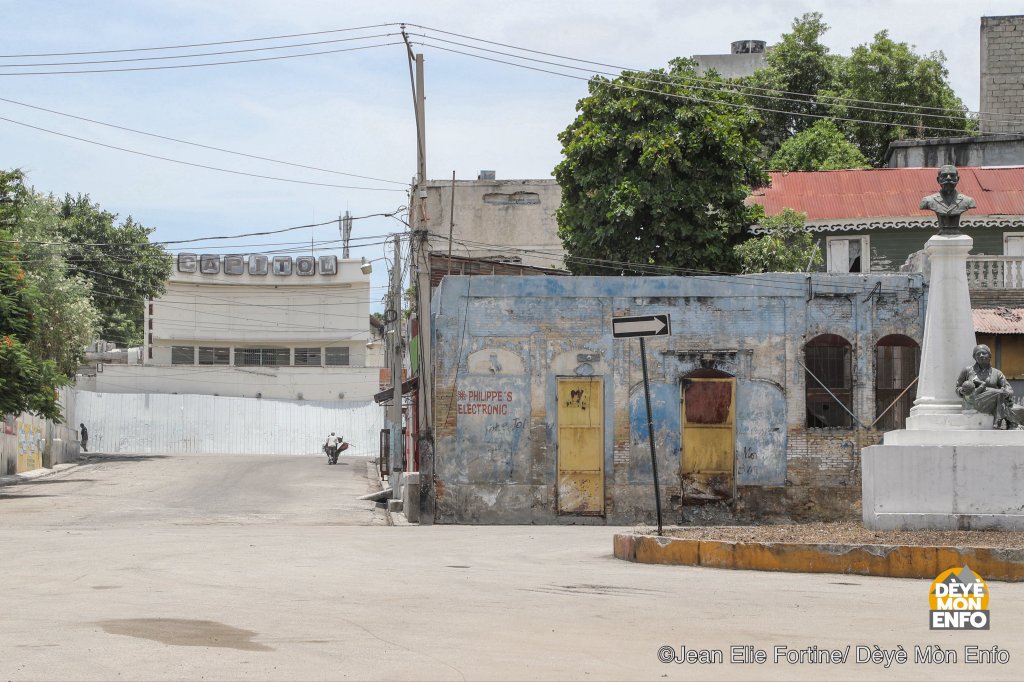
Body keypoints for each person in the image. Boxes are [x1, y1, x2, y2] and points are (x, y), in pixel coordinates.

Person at [955, 344, 1024, 429]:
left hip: (991, 403)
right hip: (973, 401)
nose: (981, 355)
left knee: (1001, 394)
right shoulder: (967, 370)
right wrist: (962, 391)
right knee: (998, 393)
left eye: (983, 353)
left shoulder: (997, 373)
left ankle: (1002, 421)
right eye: (978, 354)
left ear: (989, 355)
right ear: (974, 357)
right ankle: (1005, 422)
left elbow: (1008, 388)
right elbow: (958, 387)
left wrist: (1007, 393)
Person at [919, 164, 977, 235]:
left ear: (957, 179)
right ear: (938, 180)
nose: (948, 178)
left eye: (952, 175)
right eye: (944, 176)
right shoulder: (928, 201)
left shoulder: (968, 201)